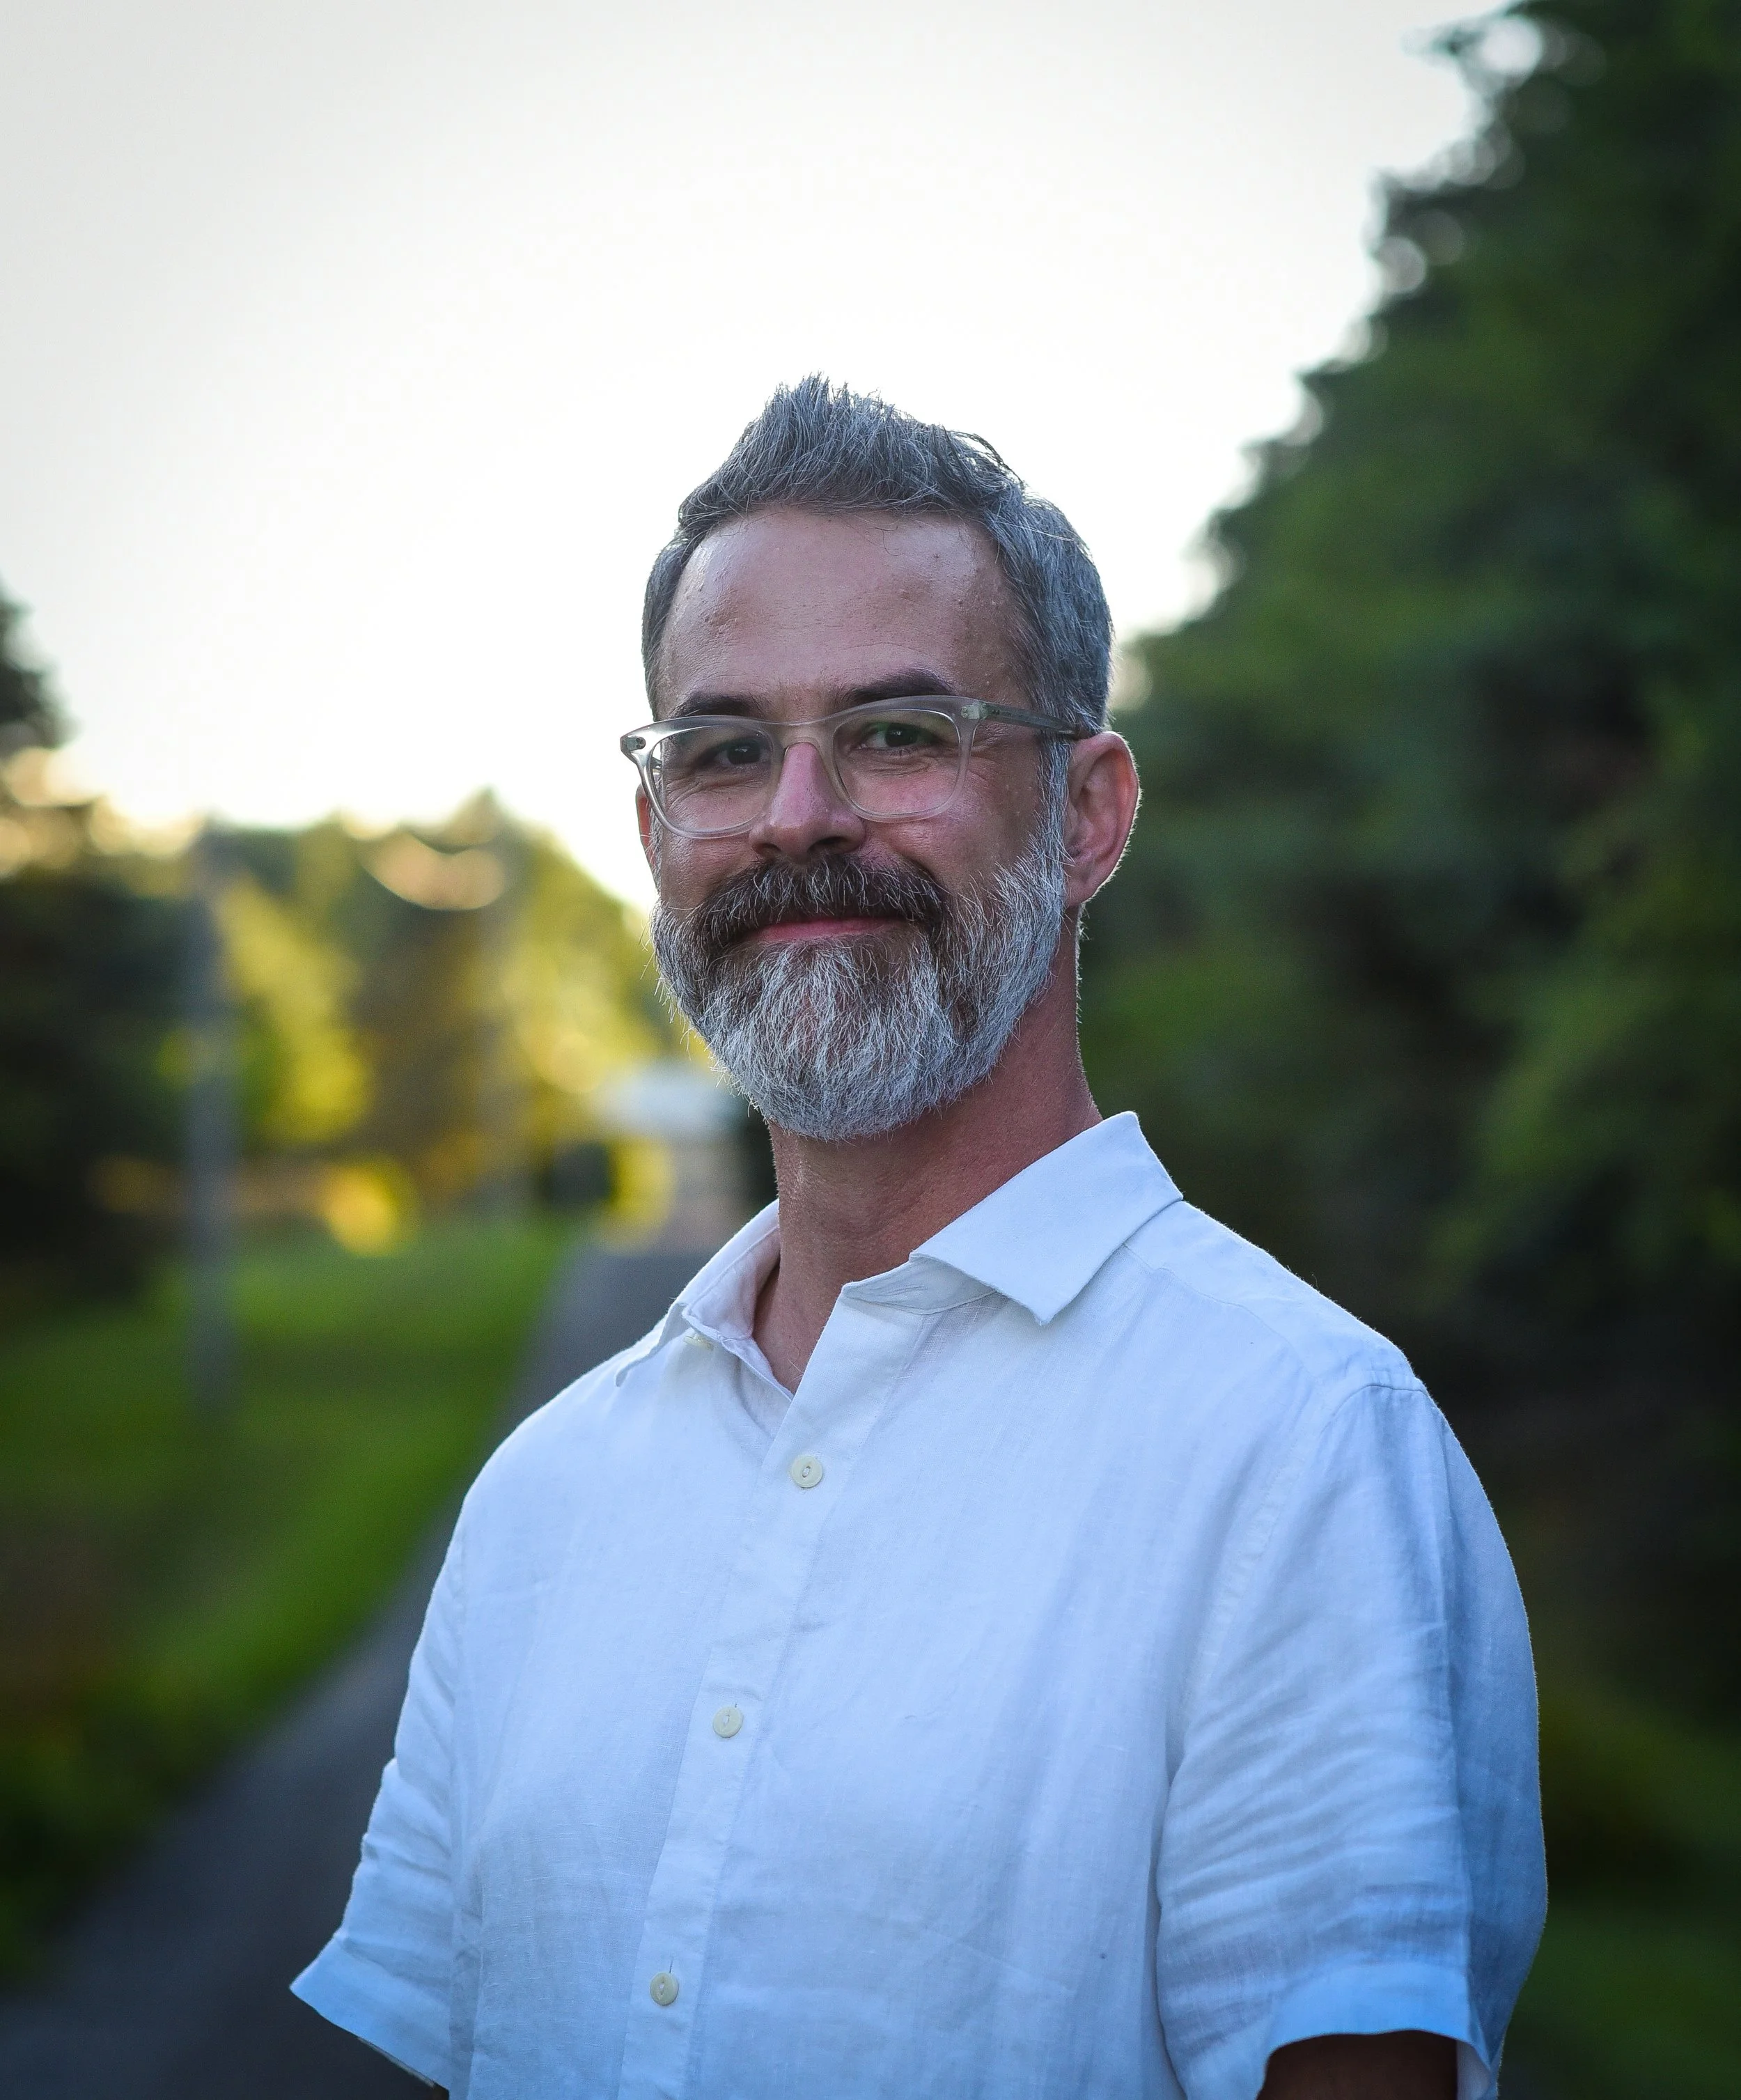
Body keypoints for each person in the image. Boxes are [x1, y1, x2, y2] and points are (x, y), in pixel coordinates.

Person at [294, 379, 1545, 2099]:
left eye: (895, 733)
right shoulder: (543, 1495)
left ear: (1088, 813)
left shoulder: (1303, 1452)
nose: (798, 812)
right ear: (658, 833)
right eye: (725, 749)